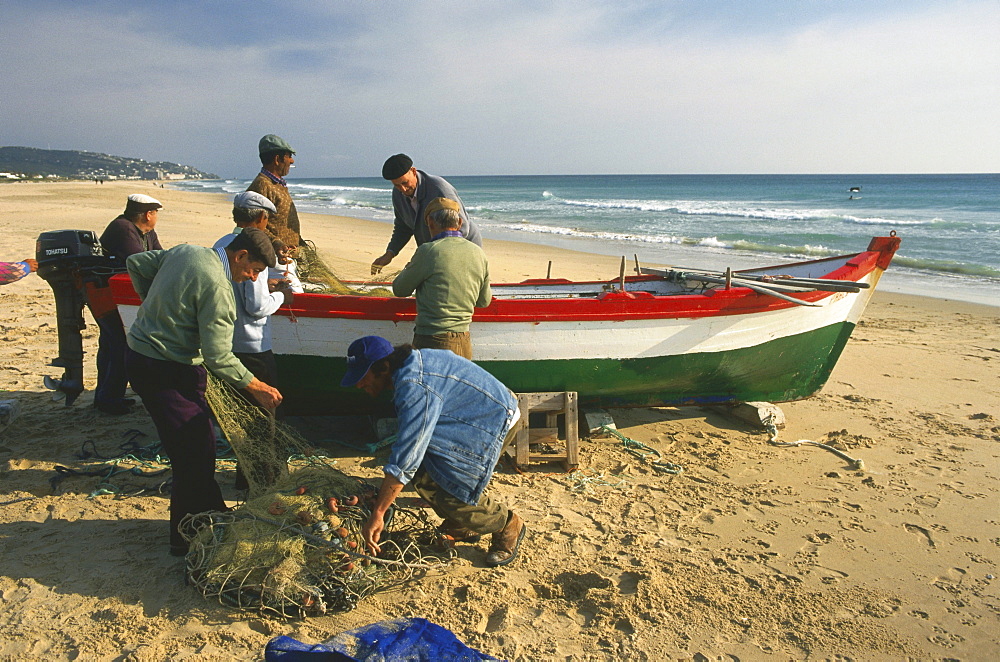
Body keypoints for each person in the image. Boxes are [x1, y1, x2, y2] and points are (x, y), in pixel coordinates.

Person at [124, 228, 282, 555]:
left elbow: (136, 263)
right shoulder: (220, 289)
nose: (251, 279)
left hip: (138, 357)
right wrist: (257, 386)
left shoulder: (187, 251)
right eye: (252, 270)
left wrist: (155, 308)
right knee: (194, 453)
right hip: (166, 370)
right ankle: (186, 539)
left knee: (200, 445)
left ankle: (214, 514)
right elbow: (218, 357)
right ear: (239, 256)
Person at [343, 336, 526, 568]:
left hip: (493, 420)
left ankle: (506, 523)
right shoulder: (410, 364)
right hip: (470, 417)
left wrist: (379, 512)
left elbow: (406, 456)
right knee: (424, 476)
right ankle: (462, 525)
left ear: (383, 367)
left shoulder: (414, 385)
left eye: (362, 377)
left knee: (454, 495)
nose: (359, 385)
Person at [214, 191, 294, 489]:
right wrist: (281, 295)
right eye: (267, 220)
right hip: (253, 346)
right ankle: (261, 479)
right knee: (265, 417)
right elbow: (257, 306)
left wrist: (267, 284)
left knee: (241, 417)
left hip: (226, 342)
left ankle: (244, 475)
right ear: (261, 218)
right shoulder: (255, 248)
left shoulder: (222, 244)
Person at [392, 197, 491, 359]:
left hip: (432, 339)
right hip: (463, 340)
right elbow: (484, 301)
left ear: (430, 222)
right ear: (459, 223)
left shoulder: (429, 251)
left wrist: (410, 266)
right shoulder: (478, 253)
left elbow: (400, 289)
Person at [92, 194, 164, 415]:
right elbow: (141, 261)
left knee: (112, 344)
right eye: (156, 213)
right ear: (148, 214)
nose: (156, 218)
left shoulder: (145, 231)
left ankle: (107, 396)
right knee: (118, 346)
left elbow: (158, 256)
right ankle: (108, 400)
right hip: (105, 296)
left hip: (118, 296)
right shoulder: (123, 228)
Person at [371, 154, 482, 275]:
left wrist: (429, 258)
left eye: (405, 183)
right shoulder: (398, 194)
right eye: (396, 185)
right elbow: (403, 227)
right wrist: (390, 253)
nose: (402, 189)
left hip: (463, 246)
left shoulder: (439, 189)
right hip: (433, 250)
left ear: (413, 171)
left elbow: (461, 227)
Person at [246, 134, 303, 249]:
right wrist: (277, 244)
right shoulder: (262, 185)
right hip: (275, 258)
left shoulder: (277, 184)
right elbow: (252, 225)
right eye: (289, 156)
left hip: (287, 256)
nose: (292, 161)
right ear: (277, 159)